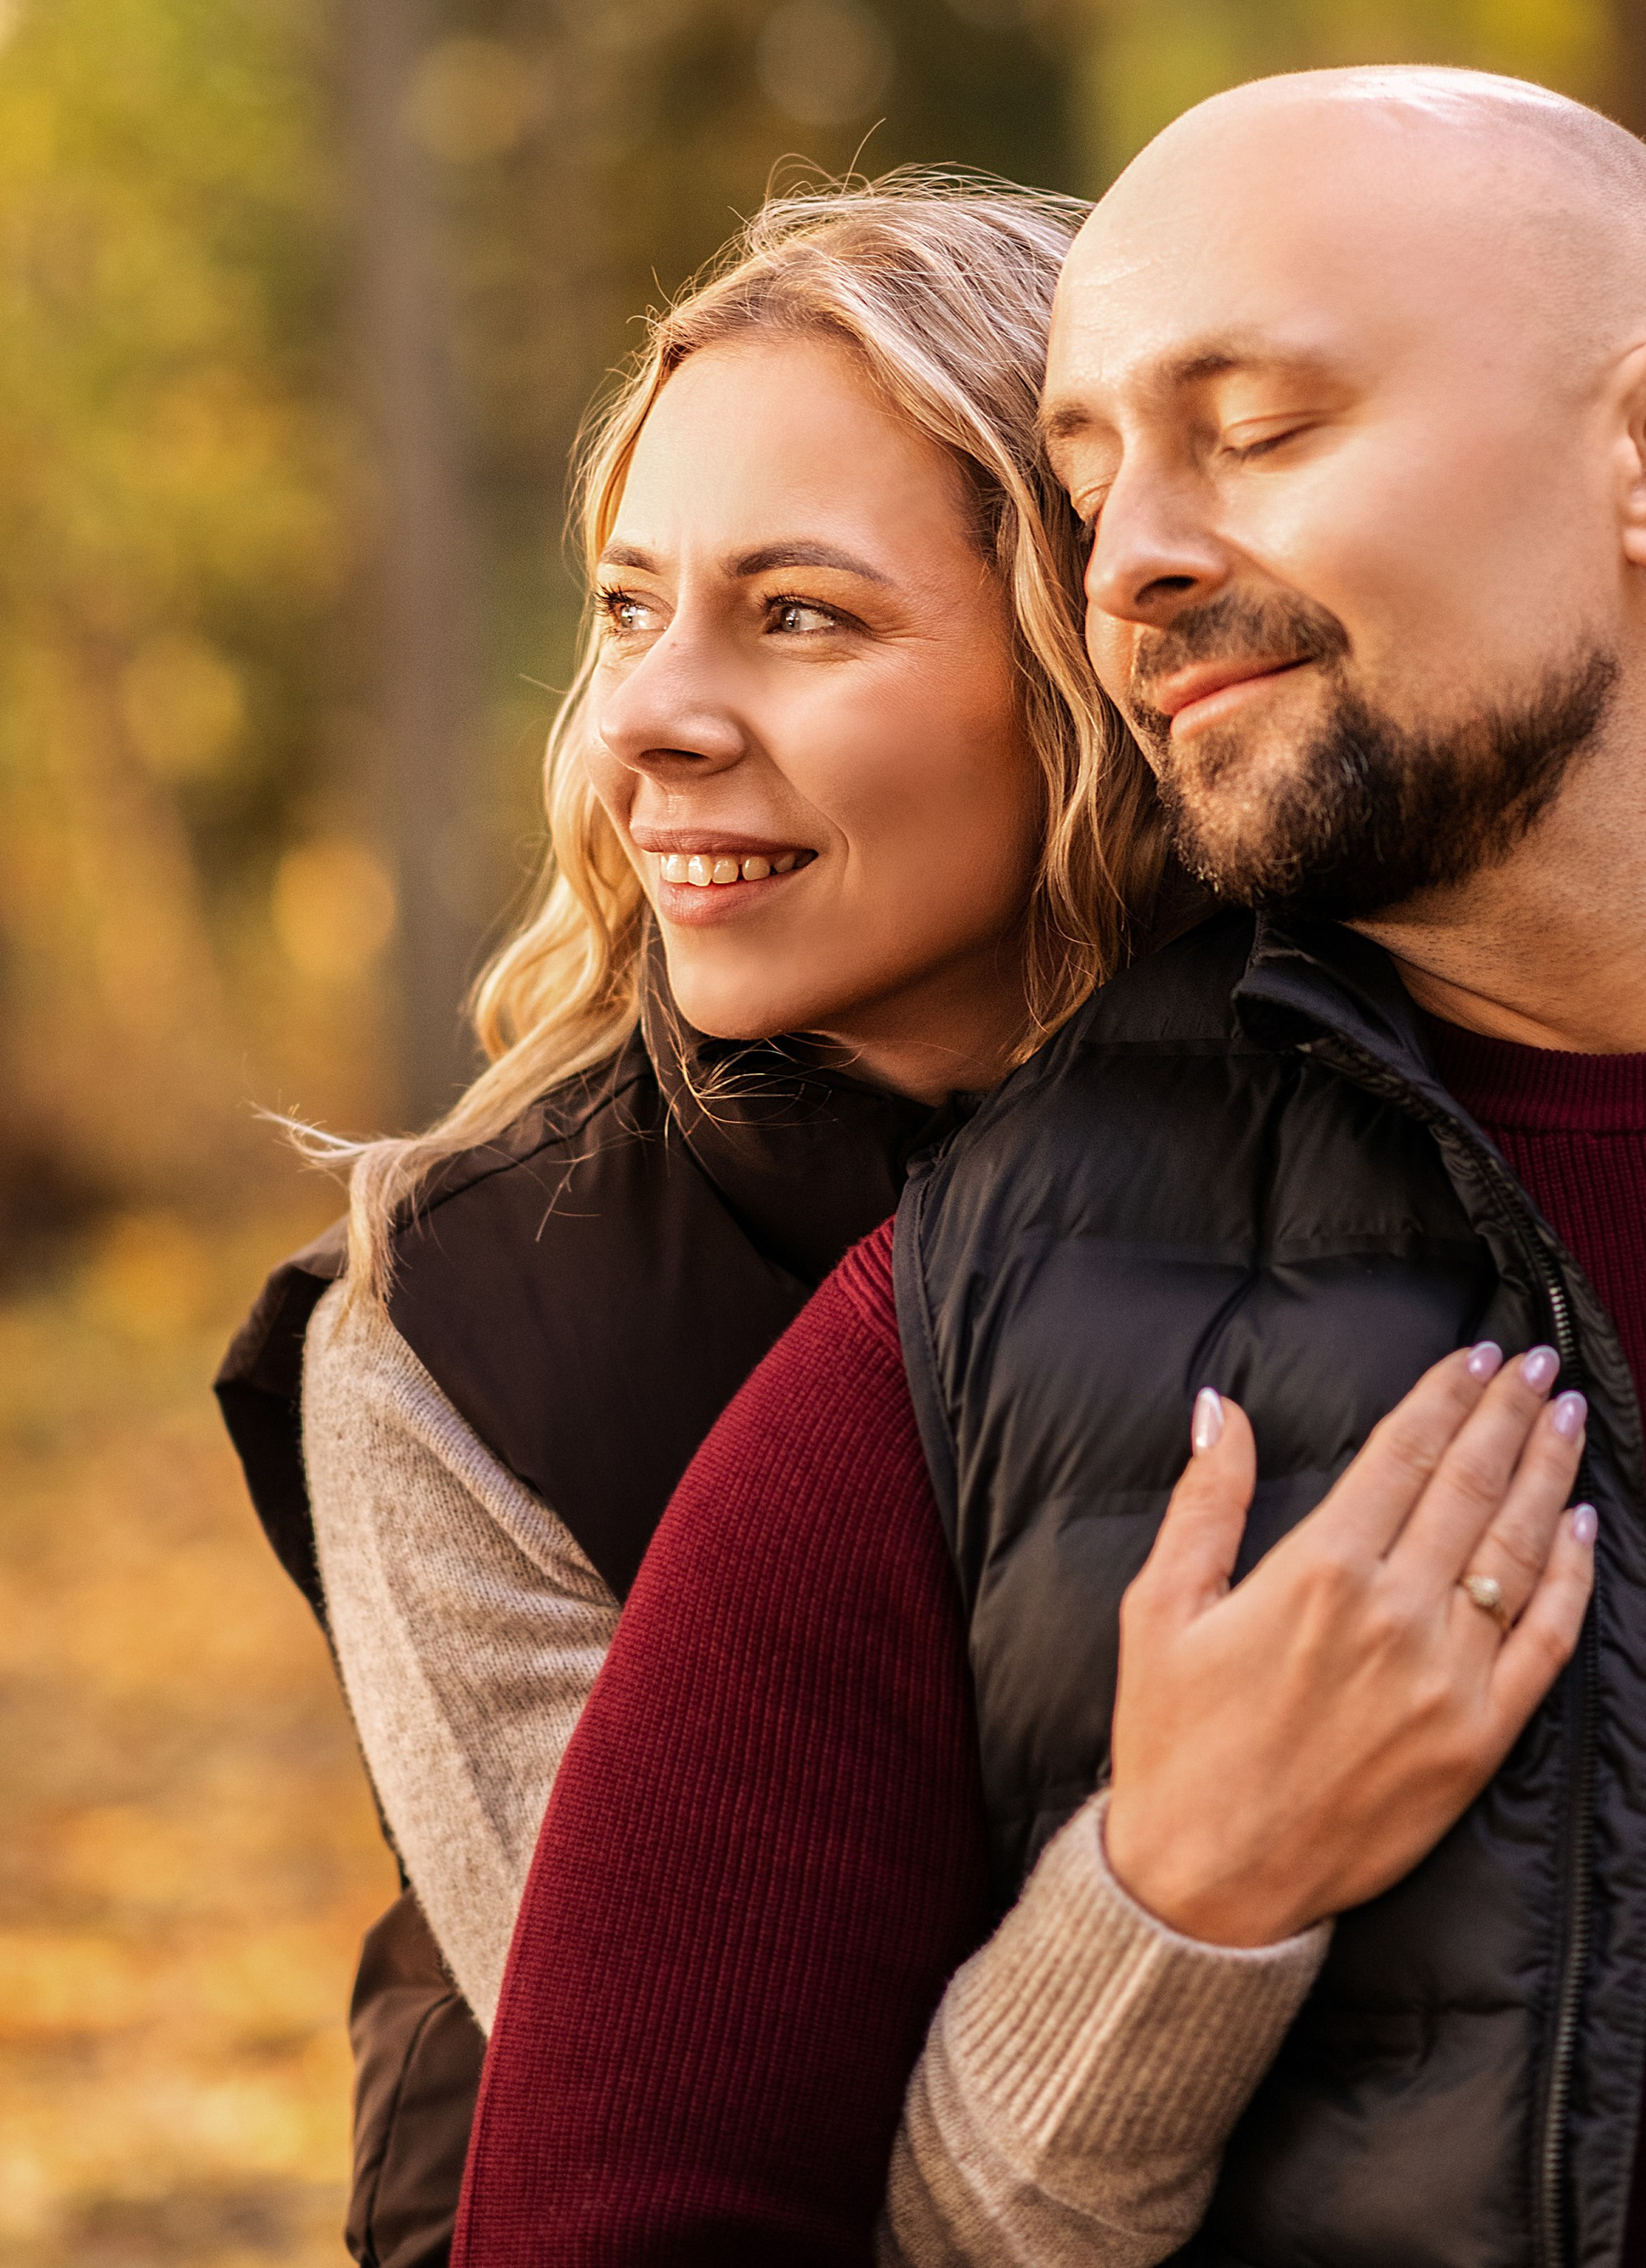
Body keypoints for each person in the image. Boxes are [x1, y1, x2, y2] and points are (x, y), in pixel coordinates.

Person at [456, 68, 1646, 2268]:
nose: (1134, 562)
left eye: (1258, 430)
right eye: (1089, 475)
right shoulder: (982, 1298)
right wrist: (1169, 1902)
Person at [215, 177, 1172, 2267]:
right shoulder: (453, 1329)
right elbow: (704, 2164)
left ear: (1088, 653)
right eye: (628, 607)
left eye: (799, 613)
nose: (646, 719)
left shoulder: (1366, 1146)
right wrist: (1196, 1880)